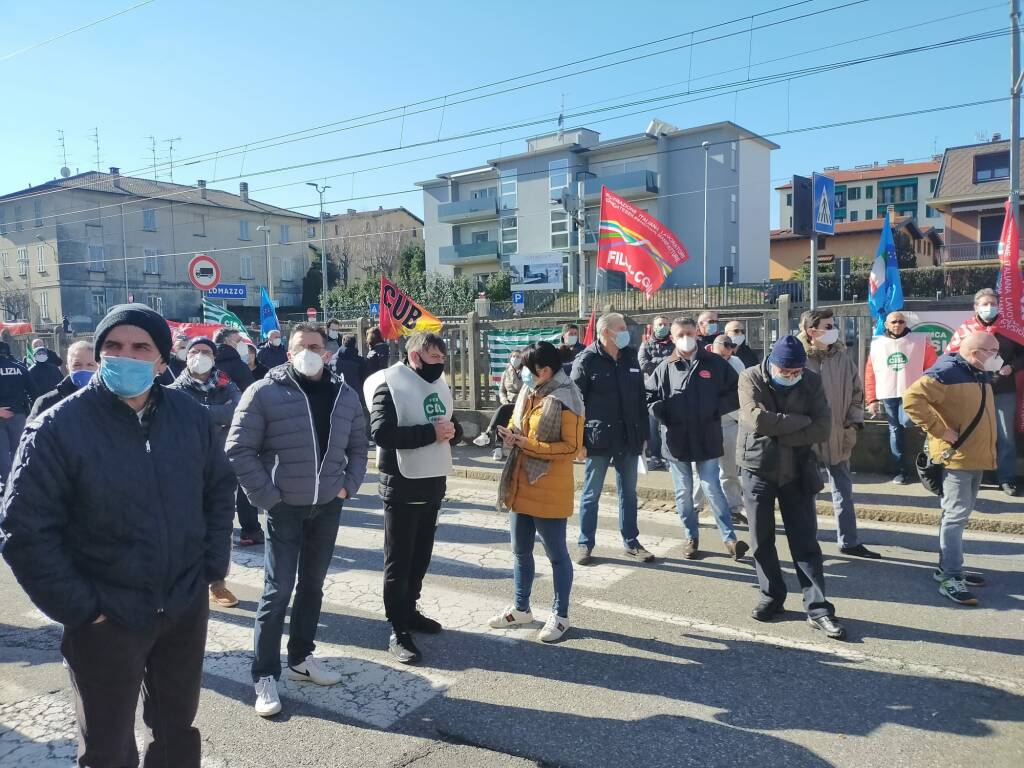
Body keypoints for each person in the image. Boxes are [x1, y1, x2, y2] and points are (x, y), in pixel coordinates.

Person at [0, 303, 235, 765]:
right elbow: (24, 529)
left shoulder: (189, 416)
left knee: (176, 729)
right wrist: (83, 608)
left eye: (140, 347)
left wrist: (210, 567)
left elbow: (218, 490)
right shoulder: (57, 425)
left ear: (163, 361)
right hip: (107, 616)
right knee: (107, 746)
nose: (125, 356)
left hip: (183, 605)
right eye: (114, 346)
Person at [227, 322, 368, 717]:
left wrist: (347, 487)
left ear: (327, 352)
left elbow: (360, 444)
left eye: (316, 346)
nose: (309, 351)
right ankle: (265, 673)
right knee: (277, 590)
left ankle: (301, 657)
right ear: (288, 352)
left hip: (327, 506)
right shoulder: (264, 392)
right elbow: (239, 449)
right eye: (301, 346)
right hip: (284, 508)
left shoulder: (344, 394)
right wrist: (268, 498)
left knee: (313, 586)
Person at [737, 335, 847, 640]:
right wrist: (801, 422)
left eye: (795, 372)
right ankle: (772, 595)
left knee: (805, 540)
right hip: (758, 466)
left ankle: (818, 607)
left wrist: (780, 428)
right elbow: (757, 420)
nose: (790, 377)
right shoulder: (751, 377)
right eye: (785, 372)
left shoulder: (811, 381)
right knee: (761, 538)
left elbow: (823, 427)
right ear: (772, 363)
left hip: (798, 467)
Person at [366, 332, 462, 664]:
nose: (440, 364)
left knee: (420, 557)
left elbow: (451, 424)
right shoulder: (389, 385)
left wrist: (453, 431)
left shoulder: (440, 384)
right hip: (401, 487)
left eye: (443, 359)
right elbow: (381, 433)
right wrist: (430, 433)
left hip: (432, 485)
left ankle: (411, 611)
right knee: (399, 561)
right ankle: (397, 628)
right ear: (415, 356)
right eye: (434, 358)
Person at [490, 341, 584, 642]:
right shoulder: (530, 393)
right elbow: (524, 431)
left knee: (557, 556)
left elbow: (572, 448)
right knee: (520, 551)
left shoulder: (568, 397)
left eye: (528, 371)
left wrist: (526, 444)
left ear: (544, 371)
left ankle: (561, 615)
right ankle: (521, 608)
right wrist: (512, 436)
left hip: (549, 487)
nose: (523, 376)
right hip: (520, 481)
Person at [903, 332, 999, 606]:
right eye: (993, 350)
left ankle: (948, 568)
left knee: (959, 514)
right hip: (957, 458)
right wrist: (940, 430)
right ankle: (951, 577)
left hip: (973, 456)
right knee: (955, 517)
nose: (998, 356)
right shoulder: (946, 371)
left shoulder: (977, 371)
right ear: (976, 352)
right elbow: (911, 399)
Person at [648, 318, 748, 560]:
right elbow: (649, 397)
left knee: (712, 487)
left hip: (707, 436)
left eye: (689, 332)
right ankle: (690, 536)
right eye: (680, 333)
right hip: (676, 440)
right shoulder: (664, 367)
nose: (685, 337)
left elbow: (736, 391)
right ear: (672, 338)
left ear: (697, 333)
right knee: (683, 492)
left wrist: (714, 409)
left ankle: (730, 538)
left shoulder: (714, 363)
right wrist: (663, 413)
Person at [571, 312, 653, 565]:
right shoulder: (587, 360)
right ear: (605, 332)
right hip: (597, 438)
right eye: (621, 328)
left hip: (629, 437)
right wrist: (578, 441)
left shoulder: (630, 357)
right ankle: (585, 544)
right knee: (591, 494)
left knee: (628, 493)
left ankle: (631, 542)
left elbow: (641, 398)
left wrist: (644, 435)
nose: (626, 331)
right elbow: (574, 403)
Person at [169, 336, 244, 609]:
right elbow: (178, 414)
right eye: (196, 351)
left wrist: (201, 413)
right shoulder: (174, 388)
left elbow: (237, 411)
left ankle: (217, 583)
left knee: (220, 528)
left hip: (221, 468)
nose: (201, 356)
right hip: (184, 470)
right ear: (186, 356)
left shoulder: (227, 383)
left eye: (206, 352)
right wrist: (218, 414)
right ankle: (182, 581)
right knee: (184, 526)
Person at [798, 309, 879, 559]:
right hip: (806, 436)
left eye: (833, 325)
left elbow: (856, 392)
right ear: (812, 332)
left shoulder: (842, 357)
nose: (834, 329)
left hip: (839, 433)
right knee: (807, 492)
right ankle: (808, 543)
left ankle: (849, 540)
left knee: (843, 488)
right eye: (828, 325)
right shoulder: (797, 357)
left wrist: (853, 424)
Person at [946, 288, 1023, 496]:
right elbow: (951, 357)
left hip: (1003, 391)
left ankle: (1006, 478)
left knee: (1006, 437)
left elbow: (1022, 354)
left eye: (993, 303)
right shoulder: (965, 330)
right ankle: (974, 475)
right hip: (973, 390)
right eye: (985, 304)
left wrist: (1012, 367)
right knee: (973, 433)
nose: (989, 307)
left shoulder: (1010, 328)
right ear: (976, 307)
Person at [865, 311, 938, 484]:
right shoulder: (878, 344)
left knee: (907, 421)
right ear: (887, 324)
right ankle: (899, 470)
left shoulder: (920, 342)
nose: (897, 325)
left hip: (913, 393)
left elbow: (932, 367)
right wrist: (872, 399)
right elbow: (871, 372)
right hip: (888, 393)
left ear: (906, 323)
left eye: (901, 321)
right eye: (893, 322)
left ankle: (927, 464)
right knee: (895, 430)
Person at [711, 334, 748, 523]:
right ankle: (694, 507)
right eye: (722, 354)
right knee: (705, 472)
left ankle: (734, 507)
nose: (726, 358)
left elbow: (741, 391)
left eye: (728, 354)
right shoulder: (704, 361)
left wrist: (738, 418)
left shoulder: (737, 362)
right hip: (708, 424)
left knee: (730, 470)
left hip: (730, 422)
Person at [638, 315, 674, 470]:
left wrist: (657, 363)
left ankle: (669, 457)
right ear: (653, 326)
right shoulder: (645, 345)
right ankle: (655, 456)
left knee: (668, 426)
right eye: (660, 324)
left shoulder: (675, 344)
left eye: (666, 324)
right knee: (653, 427)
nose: (663, 327)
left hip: (671, 391)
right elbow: (643, 365)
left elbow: (678, 362)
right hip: (652, 392)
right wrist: (665, 362)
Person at [473, 348, 523, 460]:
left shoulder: (526, 372)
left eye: (518, 357)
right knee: (503, 411)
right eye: (514, 356)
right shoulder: (506, 372)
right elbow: (501, 391)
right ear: (510, 358)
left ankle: (487, 434)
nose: (515, 359)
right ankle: (498, 448)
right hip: (508, 403)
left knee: (503, 410)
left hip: (521, 403)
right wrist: (504, 399)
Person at [28, 340, 98, 419]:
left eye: (90, 365)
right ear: (68, 368)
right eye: (77, 364)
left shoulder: (110, 401)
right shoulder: (45, 403)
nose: (84, 369)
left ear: (99, 367)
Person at [0, 341, 35, 483]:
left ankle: (8, 482)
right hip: (19, 414)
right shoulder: (20, 368)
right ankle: (18, 480)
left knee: (1, 451)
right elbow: (34, 392)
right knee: (18, 449)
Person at [214, 327, 256, 392]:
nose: (243, 344)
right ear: (226, 341)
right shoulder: (239, 366)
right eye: (239, 341)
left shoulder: (208, 362)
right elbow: (251, 393)